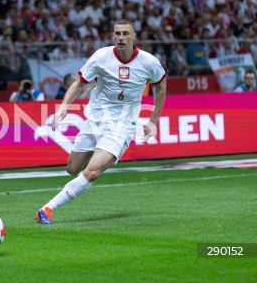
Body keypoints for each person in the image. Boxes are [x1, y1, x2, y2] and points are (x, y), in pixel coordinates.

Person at [36, 19, 167, 225]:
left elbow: (161, 87)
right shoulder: (101, 57)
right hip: (95, 119)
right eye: (118, 34)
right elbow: (79, 83)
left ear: (134, 37)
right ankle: (99, 155)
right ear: (113, 36)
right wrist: (63, 107)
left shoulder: (149, 62)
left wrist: (153, 121)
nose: (121, 38)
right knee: (72, 168)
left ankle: (47, 208)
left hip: (121, 125)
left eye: (125, 34)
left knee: (93, 171)